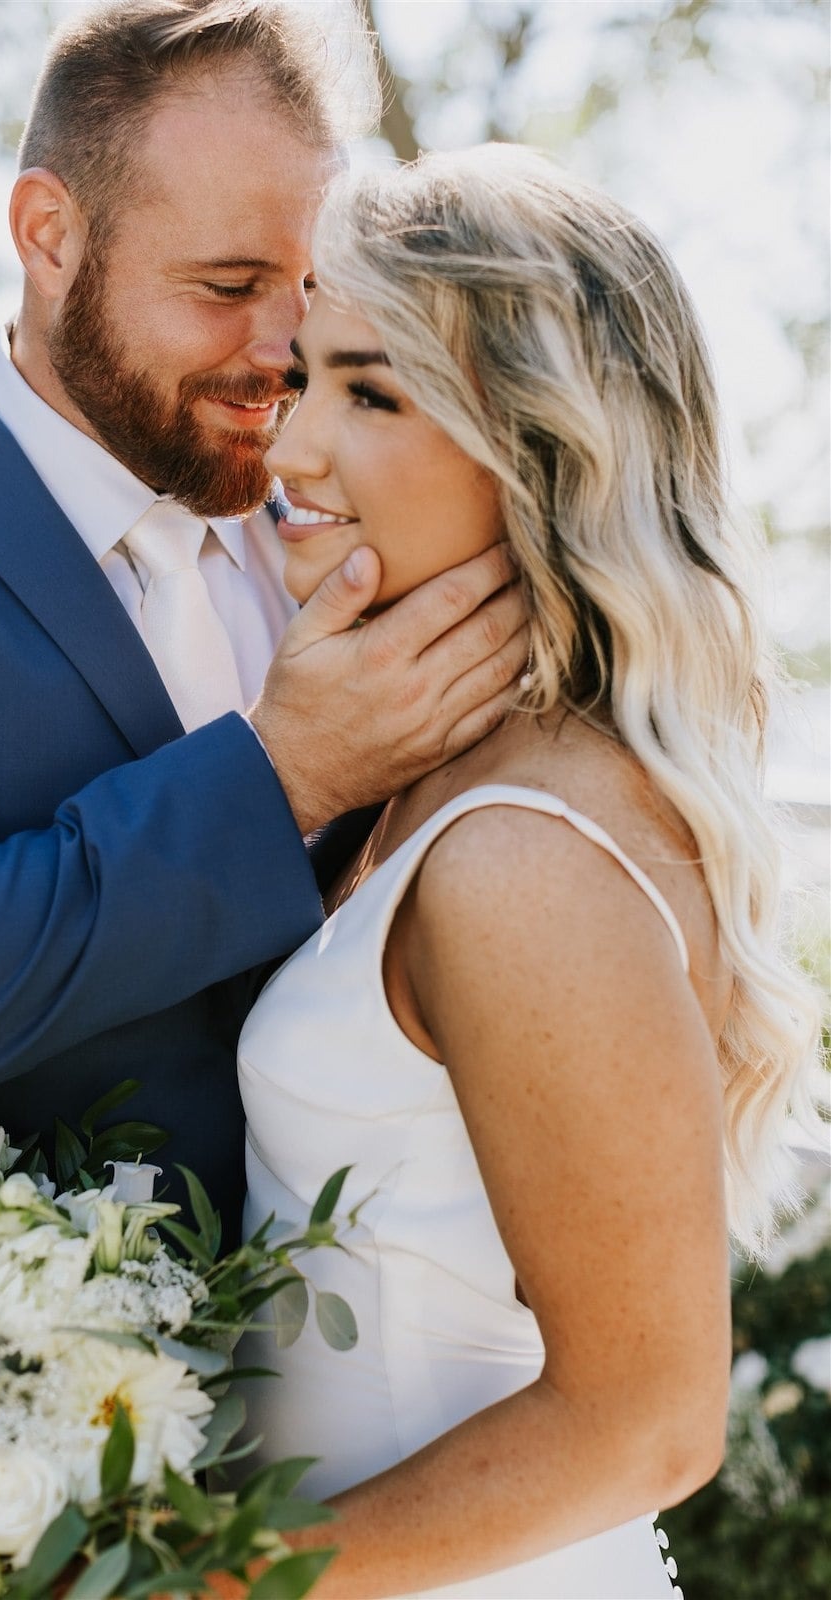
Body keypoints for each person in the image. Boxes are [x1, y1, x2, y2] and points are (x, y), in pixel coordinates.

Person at [0, 2, 529, 1244]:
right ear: (50, 233)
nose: (286, 351)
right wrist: (283, 776)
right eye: (228, 286)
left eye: (311, 290)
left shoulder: (358, 530)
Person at [235, 144, 821, 1598]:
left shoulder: (520, 855)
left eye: (371, 392)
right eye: (300, 379)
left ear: (542, 445)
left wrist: (200, 1581)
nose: (293, 451)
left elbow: (645, 1424)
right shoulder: (433, 793)